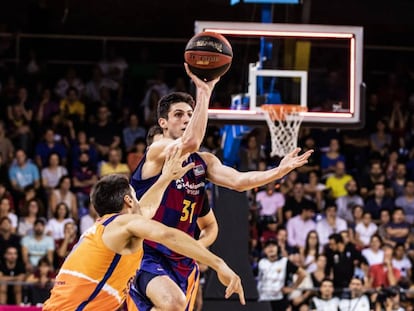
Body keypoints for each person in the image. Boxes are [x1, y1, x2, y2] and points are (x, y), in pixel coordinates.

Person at [128, 64, 313, 311]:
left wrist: (278, 171)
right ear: (163, 122)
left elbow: (238, 182)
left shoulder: (203, 163)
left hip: (182, 259)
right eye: (179, 115)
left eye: (189, 114)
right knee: (172, 303)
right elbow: (191, 141)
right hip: (147, 252)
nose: (186, 119)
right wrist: (205, 90)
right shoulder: (157, 151)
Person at [43, 150, 245, 310]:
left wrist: (165, 178)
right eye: (135, 196)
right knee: (174, 303)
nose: (140, 201)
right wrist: (219, 264)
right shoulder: (123, 224)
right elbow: (167, 234)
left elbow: (146, 208)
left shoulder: (107, 228)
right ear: (129, 201)